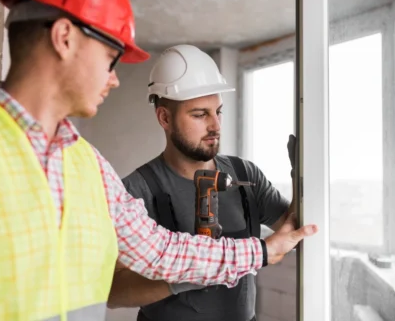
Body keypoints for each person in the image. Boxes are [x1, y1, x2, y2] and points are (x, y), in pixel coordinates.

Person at [0, 0, 317, 320]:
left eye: (216, 112)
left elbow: (160, 252)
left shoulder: (88, 166)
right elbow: (119, 286)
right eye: (110, 57)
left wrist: (263, 250)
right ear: (65, 38)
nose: (115, 78)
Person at [108, 44, 298, 321]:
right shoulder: (136, 191)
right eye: (200, 114)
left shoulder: (245, 175)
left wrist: (301, 178)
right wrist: (183, 278)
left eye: (218, 112)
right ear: (164, 117)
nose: (216, 126)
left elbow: (292, 233)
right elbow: (113, 291)